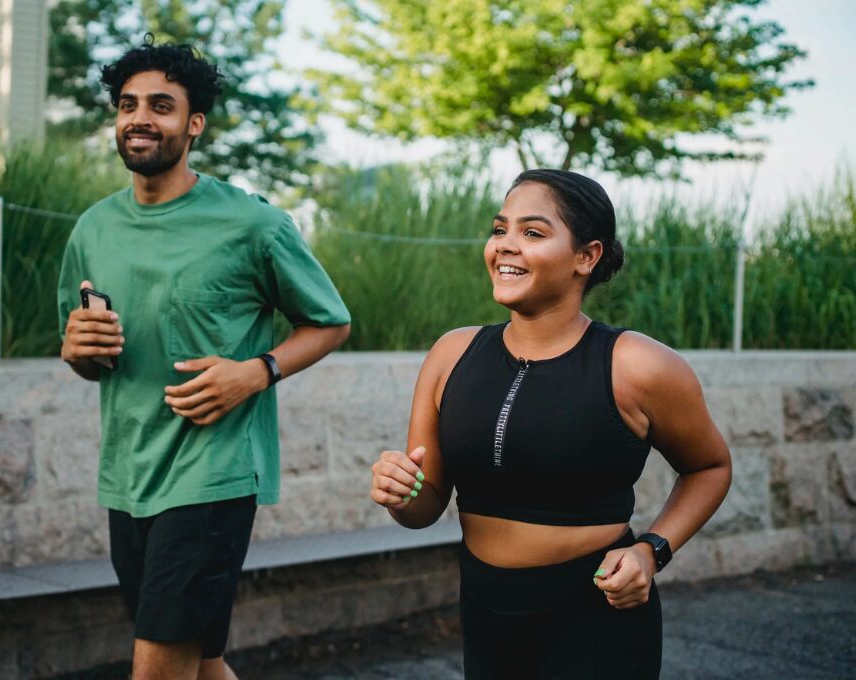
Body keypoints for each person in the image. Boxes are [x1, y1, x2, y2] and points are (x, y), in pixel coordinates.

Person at [57, 39, 351, 680]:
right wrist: (76, 349)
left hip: (212, 477)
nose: (140, 118)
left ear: (194, 124)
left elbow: (329, 321)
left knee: (157, 667)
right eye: (128, 104)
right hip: (128, 476)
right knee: (200, 662)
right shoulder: (92, 230)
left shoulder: (252, 224)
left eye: (161, 105)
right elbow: (81, 352)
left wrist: (256, 372)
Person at [369, 169, 731, 679]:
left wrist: (652, 551)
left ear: (587, 256)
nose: (506, 246)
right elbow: (425, 508)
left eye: (533, 233)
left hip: (595, 619)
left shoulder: (637, 365)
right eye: (500, 230)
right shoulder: (451, 354)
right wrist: (400, 492)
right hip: (485, 612)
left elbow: (710, 467)